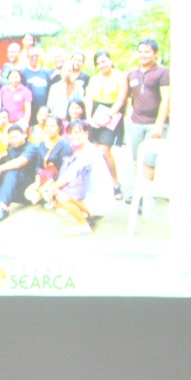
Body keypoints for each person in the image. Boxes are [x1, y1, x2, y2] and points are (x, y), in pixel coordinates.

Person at [39, 120, 114, 236]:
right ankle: (88, 215)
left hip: (101, 200)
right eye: (71, 133)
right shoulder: (82, 149)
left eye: (78, 133)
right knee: (59, 190)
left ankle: (84, 225)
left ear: (86, 133)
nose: (74, 137)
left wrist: (51, 188)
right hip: (95, 195)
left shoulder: (89, 152)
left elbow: (69, 176)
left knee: (60, 195)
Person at [125, 38, 170, 203]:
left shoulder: (163, 72)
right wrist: (129, 116)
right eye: (141, 51)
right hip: (136, 123)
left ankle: (144, 198)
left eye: (147, 51)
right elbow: (129, 97)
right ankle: (139, 192)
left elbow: (166, 99)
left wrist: (159, 125)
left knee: (149, 160)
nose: (143, 55)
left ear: (155, 53)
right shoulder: (132, 73)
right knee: (138, 159)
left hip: (154, 124)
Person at [86, 49, 128, 200]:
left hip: (112, 112)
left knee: (104, 151)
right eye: (98, 63)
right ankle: (97, 184)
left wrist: (108, 116)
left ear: (110, 60)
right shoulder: (94, 78)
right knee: (93, 149)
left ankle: (115, 183)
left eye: (104, 61)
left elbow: (121, 99)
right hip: (95, 112)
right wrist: (89, 117)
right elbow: (89, 98)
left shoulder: (121, 76)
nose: (102, 65)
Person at [0, 124, 39, 222]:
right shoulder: (11, 149)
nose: (13, 140)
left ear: (24, 135)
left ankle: (4, 208)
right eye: (10, 138)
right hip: (15, 189)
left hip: (29, 191)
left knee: (12, 170)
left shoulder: (32, 147)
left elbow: (20, 162)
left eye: (15, 136)